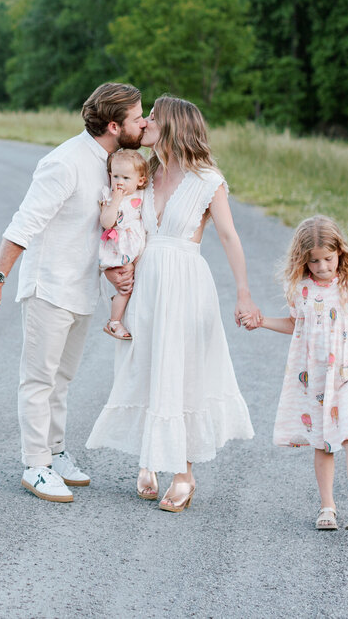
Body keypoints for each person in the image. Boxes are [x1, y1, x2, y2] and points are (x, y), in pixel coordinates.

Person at [0, 82, 146, 503]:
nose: (143, 123)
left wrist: (111, 273)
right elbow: (24, 225)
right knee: (39, 379)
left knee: (63, 379)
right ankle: (35, 465)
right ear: (112, 125)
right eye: (137, 117)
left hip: (81, 288)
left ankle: (55, 453)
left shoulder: (109, 164)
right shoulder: (65, 162)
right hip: (48, 287)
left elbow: (93, 232)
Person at [86, 95, 256, 512]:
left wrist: (244, 292)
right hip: (145, 282)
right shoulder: (147, 173)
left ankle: (183, 473)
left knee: (181, 373)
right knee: (142, 366)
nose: (144, 123)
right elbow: (120, 227)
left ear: (173, 126)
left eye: (152, 119)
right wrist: (116, 270)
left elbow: (230, 237)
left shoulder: (207, 179)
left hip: (185, 283)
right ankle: (149, 459)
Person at [242, 215, 348, 531]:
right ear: (304, 260)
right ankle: (327, 506)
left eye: (328, 259)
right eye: (314, 261)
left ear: (340, 253)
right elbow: (297, 325)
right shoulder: (302, 290)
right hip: (319, 376)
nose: (322, 267)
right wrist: (263, 321)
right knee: (323, 442)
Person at [98, 149, 150, 341]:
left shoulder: (142, 195)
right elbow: (106, 222)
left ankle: (119, 308)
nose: (119, 182)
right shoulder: (110, 196)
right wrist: (116, 200)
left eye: (126, 178)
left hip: (136, 250)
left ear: (140, 181)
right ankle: (114, 322)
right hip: (118, 251)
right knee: (125, 288)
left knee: (134, 286)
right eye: (115, 176)